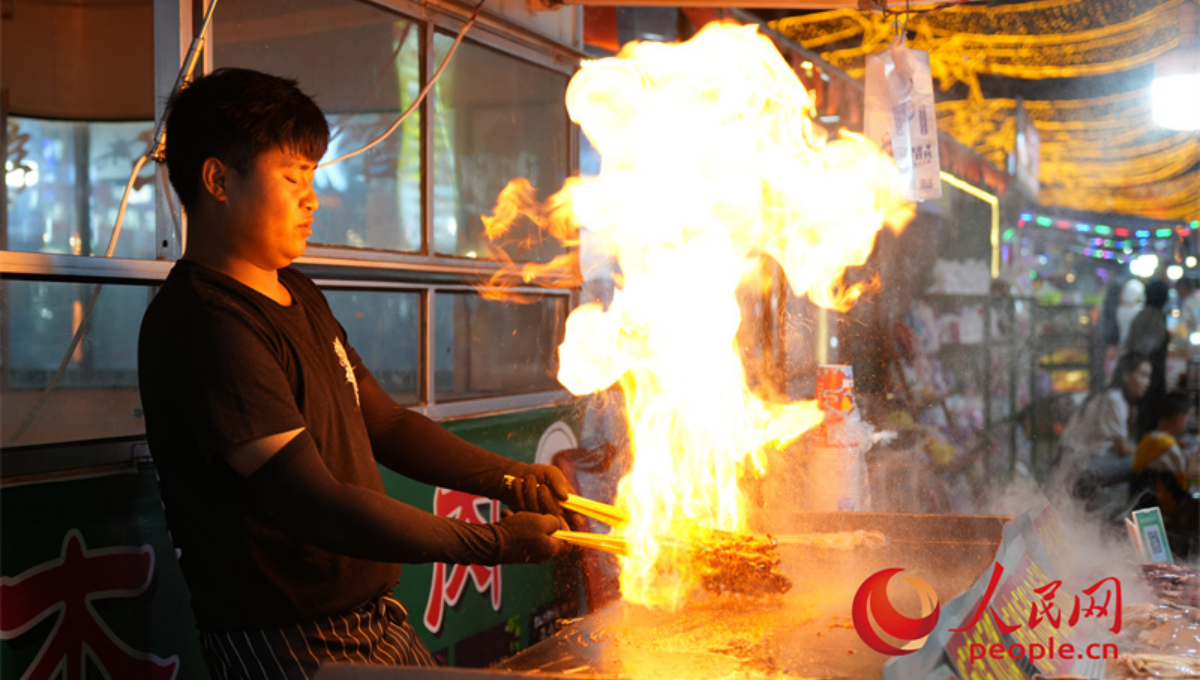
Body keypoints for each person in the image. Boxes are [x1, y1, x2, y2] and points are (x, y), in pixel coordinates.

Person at [138, 68, 576, 679]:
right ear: (217, 180)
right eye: (291, 176)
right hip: (288, 639)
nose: (311, 196)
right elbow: (315, 505)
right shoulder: (207, 323)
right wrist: (497, 544)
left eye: (312, 175)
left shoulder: (297, 292)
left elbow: (389, 423)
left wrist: (510, 478)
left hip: (374, 618)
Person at [1054, 352, 1151, 502]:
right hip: (1079, 466)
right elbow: (1122, 449)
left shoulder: (1109, 395)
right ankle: (1140, 510)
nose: (1147, 382)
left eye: (1148, 377)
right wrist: (1153, 451)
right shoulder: (1115, 400)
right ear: (1126, 376)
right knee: (1148, 461)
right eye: (1143, 375)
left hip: (1072, 461)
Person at [1130, 391, 1199, 556]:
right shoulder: (1169, 447)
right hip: (1166, 508)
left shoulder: (1149, 439)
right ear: (1179, 417)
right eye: (1187, 417)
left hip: (1142, 502)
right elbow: (1185, 480)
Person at [1126, 279, 1170, 438]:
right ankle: (1147, 454)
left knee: (1145, 415)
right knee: (1150, 415)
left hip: (1143, 373)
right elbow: (1145, 348)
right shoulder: (1154, 317)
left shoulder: (1142, 314)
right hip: (1150, 375)